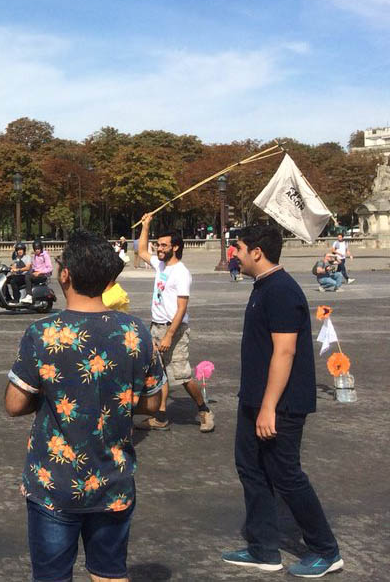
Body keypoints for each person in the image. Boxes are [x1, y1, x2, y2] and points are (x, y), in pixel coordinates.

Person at [4, 230, 165, 582]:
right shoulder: (136, 332)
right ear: (109, 280)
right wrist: (117, 399)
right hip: (113, 479)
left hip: (55, 483)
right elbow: (154, 403)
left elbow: (14, 404)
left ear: (66, 275)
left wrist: (53, 397)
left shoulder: (43, 333)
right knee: (109, 574)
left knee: (52, 576)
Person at [222, 226, 343, 578]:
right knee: (251, 469)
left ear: (257, 252)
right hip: (256, 398)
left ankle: (326, 549)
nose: (235, 254)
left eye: (239, 248)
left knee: (286, 474)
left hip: (281, 403)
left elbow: (285, 350)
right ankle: (263, 548)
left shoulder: (281, 290)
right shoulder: (264, 287)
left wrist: (269, 406)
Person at [136, 213, 213, 433]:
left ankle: (204, 410)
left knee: (182, 375)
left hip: (174, 328)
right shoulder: (160, 266)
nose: (158, 249)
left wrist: (170, 335)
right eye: (158, 244)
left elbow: (182, 308)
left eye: (163, 245)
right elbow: (141, 251)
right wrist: (146, 225)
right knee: (160, 373)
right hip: (156, 326)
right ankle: (160, 416)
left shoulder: (182, 273)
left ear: (175, 247)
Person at [21, 240, 53, 304]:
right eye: (35, 249)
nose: (37, 250)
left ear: (41, 248)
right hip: (36, 273)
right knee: (24, 276)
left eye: (38, 249)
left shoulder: (45, 255)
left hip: (43, 275)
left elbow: (50, 268)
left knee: (28, 277)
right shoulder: (35, 256)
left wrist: (39, 272)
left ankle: (29, 296)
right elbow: (34, 267)